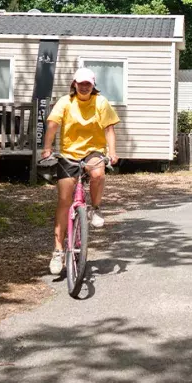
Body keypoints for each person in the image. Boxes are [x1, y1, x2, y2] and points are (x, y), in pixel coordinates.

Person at [42, 67, 120, 275]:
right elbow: (52, 124)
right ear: (74, 84)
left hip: (93, 151)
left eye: (88, 84)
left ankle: (95, 208)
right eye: (81, 83)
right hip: (69, 153)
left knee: (97, 173)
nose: (84, 87)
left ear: (93, 86)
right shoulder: (65, 102)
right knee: (64, 201)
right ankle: (58, 251)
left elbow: (109, 128)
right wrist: (48, 147)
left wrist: (112, 151)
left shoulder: (100, 102)